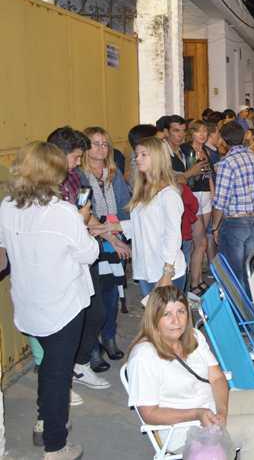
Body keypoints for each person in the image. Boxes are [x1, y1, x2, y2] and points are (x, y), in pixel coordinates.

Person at [0, 142, 100, 460]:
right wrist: (82, 221)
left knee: (48, 367)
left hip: (28, 303)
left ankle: (44, 421)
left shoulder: (6, 206)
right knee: (58, 374)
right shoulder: (63, 212)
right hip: (62, 305)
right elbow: (89, 254)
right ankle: (55, 447)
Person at [127, 286, 254, 459]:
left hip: (212, 406)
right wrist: (197, 413)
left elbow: (217, 378)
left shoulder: (193, 336)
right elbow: (149, 413)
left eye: (181, 311)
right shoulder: (144, 356)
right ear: (154, 318)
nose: (176, 320)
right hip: (183, 428)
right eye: (167, 314)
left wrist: (222, 411)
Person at [47, 127, 113, 386]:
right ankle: (61, 376)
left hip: (83, 254)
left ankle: (80, 363)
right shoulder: (42, 186)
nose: (78, 163)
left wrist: (111, 236)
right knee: (65, 322)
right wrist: (80, 221)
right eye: (75, 157)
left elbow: (86, 213)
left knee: (95, 313)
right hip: (59, 262)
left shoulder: (75, 177)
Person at [95, 137, 186, 296]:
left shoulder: (169, 194)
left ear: (157, 157)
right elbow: (143, 223)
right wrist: (109, 227)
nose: (137, 159)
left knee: (165, 312)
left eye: (144, 154)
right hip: (146, 268)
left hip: (165, 270)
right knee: (151, 312)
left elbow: (173, 236)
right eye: (137, 155)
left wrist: (167, 273)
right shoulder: (144, 189)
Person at [79, 127, 132, 364]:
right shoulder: (80, 176)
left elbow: (124, 205)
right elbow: (82, 211)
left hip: (113, 239)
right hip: (91, 239)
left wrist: (123, 230)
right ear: (85, 148)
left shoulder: (113, 173)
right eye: (95, 143)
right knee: (93, 298)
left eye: (105, 143)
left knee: (111, 294)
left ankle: (109, 337)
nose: (101, 148)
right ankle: (92, 347)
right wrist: (109, 232)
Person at [210, 122, 254, 287]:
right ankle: (250, 301)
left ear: (223, 140)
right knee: (249, 271)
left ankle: (238, 303)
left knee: (234, 274)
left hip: (234, 223)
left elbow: (220, 201)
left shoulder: (226, 163)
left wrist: (215, 226)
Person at [181, 120, 214, 291]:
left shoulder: (206, 150)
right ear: (192, 133)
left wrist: (213, 193)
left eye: (205, 131)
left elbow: (209, 175)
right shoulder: (185, 150)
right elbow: (185, 176)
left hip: (206, 195)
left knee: (200, 242)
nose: (202, 135)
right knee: (200, 242)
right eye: (199, 131)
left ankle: (198, 278)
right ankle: (194, 283)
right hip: (193, 195)